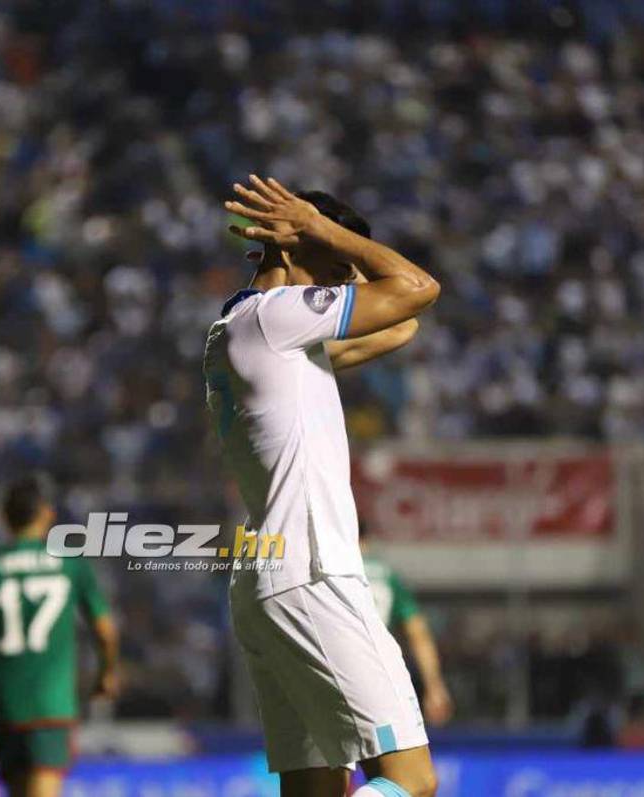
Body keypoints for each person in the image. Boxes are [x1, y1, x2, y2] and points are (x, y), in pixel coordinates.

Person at [205, 175, 441, 797]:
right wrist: (318, 230)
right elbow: (420, 290)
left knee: (317, 789)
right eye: (333, 264)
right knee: (411, 782)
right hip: (314, 572)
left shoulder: (246, 332)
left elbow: (400, 327)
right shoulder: (278, 320)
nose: (343, 280)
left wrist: (321, 242)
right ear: (295, 244)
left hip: (266, 582)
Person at [0, 476, 121, 797]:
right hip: (52, 707)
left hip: (6, 709)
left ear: (5, 519)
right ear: (47, 515)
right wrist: (107, 673)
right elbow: (104, 630)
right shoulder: (70, 562)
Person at [361, 540, 454, 727]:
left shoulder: (334, 569)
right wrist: (434, 686)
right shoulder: (387, 576)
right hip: (378, 675)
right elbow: (418, 633)